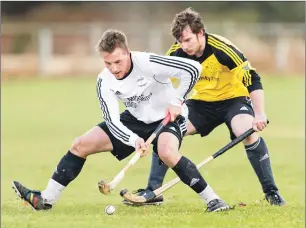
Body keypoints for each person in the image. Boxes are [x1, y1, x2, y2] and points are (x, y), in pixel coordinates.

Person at [12, 29, 231, 212]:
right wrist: (134, 139)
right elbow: (111, 119)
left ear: (128, 53)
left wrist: (176, 101)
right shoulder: (104, 80)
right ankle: (46, 200)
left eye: (118, 61)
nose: (114, 68)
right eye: (108, 63)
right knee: (81, 144)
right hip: (134, 120)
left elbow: (193, 69)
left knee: (166, 152)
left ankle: (213, 200)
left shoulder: (148, 62)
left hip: (167, 118)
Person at [124, 8, 285, 207]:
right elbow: (159, 82)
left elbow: (252, 78)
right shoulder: (177, 52)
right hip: (201, 103)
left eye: (188, 40)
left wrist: (259, 113)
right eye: (180, 41)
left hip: (234, 100)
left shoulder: (222, 49)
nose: (184, 46)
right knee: (166, 131)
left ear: (201, 33)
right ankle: (153, 192)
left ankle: (272, 193)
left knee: (246, 132)